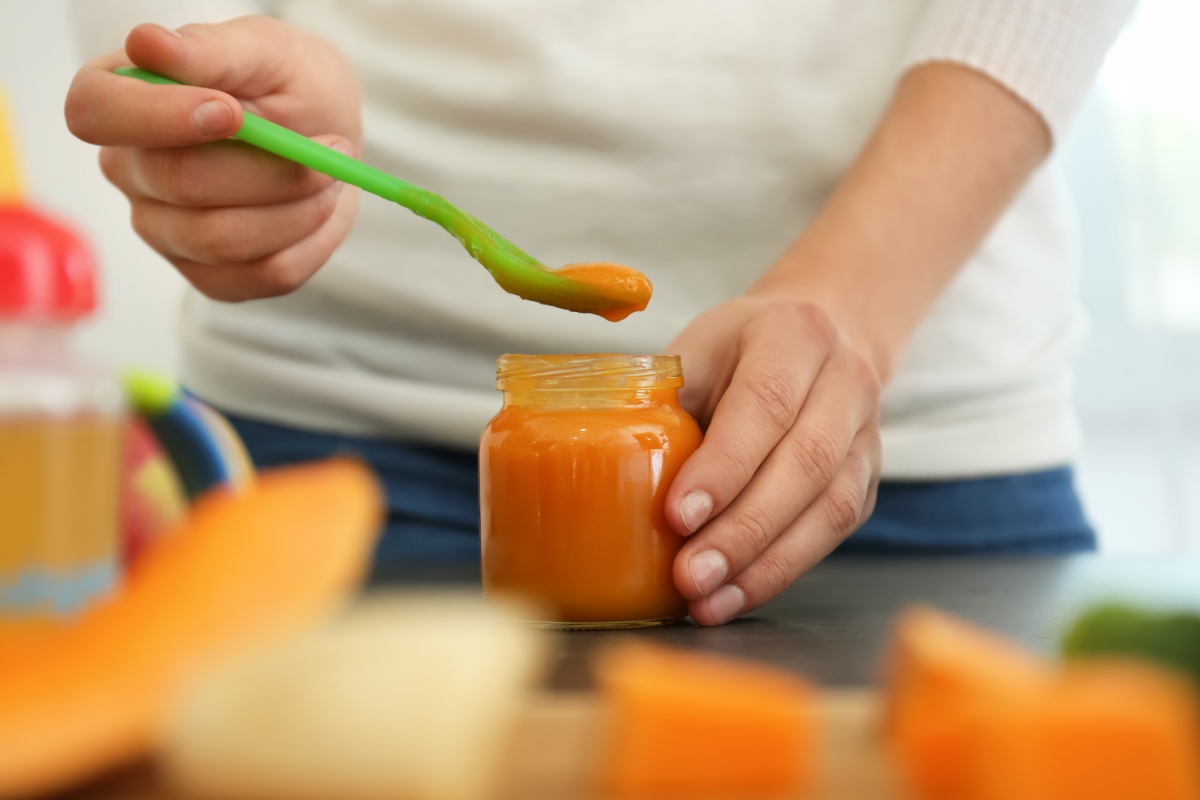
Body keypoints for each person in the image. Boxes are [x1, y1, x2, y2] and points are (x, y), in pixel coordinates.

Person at [66, 0, 1137, 626]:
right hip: (330, 452)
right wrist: (209, 79)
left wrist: (853, 300)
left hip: (914, 454)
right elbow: (165, 53)